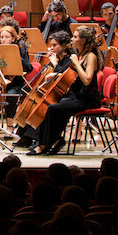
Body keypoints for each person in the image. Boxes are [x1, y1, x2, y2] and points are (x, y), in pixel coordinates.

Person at [29, 26, 101, 156]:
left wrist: (76, 63)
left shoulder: (91, 56)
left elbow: (87, 80)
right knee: (52, 106)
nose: (72, 39)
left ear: (83, 40)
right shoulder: (79, 55)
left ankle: (47, 143)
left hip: (88, 99)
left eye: (75, 37)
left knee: (54, 108)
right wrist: (56, 75)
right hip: (77, 97)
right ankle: (51, 141)